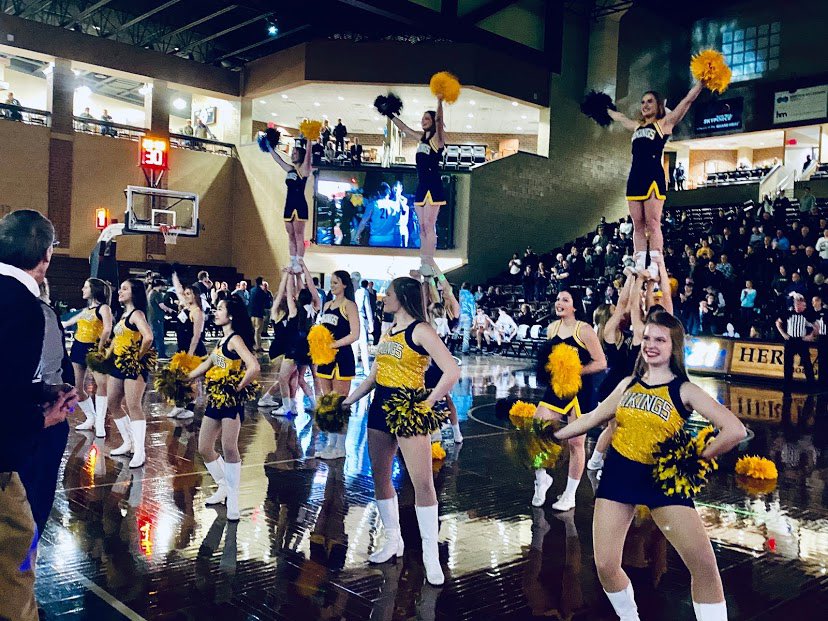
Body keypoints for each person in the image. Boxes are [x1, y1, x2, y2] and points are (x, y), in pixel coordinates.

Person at [554, 312, 746, 621]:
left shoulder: (685, 390)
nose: (651, 345)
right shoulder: (629, 383)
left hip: (663, 482)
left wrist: (698, 457)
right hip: (619, 476)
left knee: (704, 566)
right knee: (605, 565)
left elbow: (734, 430)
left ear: (674, 346)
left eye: (660, 340)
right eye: (647, 338)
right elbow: (593, 418)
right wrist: (551, 434)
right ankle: (630, 617)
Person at [342, 277, 460, 586]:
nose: (383, 298)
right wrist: (349, 399)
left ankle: (430, 554)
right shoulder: (386, 331)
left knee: (422, 483)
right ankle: (393, 541)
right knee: (380, 478)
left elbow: (452, 370)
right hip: (379, 406)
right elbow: (374, 376)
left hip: (409, 407)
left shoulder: (420, 330)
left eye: (389, 294)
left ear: (404, 297)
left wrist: (428, 402)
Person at [0, 210, 77, 621]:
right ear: (46, 256)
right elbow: (4, 401)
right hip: (5, 458)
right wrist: (42, 418)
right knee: (19, 545)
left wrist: (39, 390)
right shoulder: (24, 306)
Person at [608, 83, 703, 278]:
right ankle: (640, 263)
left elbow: (687, 101)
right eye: (643, 102)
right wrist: (602, 108)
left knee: (652, 222)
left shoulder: (664, 123)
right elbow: (619, 117)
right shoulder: (636, 126)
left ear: (658, 104)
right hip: (635, 176)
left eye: (649, 101)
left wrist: (701, 83)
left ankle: (655, 264)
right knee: (637, 223)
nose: (645, 105)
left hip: (653, 175)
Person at [532, 290, 607, 511]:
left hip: (581, 390)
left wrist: (575, 372)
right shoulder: (552, 328)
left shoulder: (584, 330)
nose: (559, 303)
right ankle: (542, 478)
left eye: (565, 300)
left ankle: (570, 494)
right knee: (536, 431)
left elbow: (601, 362)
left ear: (575, 306)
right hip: (557, 389)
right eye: (557, 299)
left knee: (576, 442)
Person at [189, 297, 260, 521]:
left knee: (229, 448)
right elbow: (206, 365)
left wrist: (238, 387)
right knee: (204, 447)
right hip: (215, 401)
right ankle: (223, 487)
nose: (216, 312)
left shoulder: (235, 339)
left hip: (231, 402)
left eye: (220, 309)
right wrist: (181, 378)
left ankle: (234, 499)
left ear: (230, 315)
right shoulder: (222, 341)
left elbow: (254, 366)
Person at [390, 99, 447, 275]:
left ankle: (429, 261)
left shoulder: (437, 139)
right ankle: (423, 260)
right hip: (422, 186)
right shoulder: (421, 139)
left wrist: (439, 101)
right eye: (422, 119)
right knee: (421, 226)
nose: (423, 121)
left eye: (427, 119)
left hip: (433, 186)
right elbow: (405, 128)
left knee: (429, 225)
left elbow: (439, 121)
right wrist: (390, 114)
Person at [105, 279, 154, 468]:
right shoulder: (124, 314)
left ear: (134, 293)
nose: (120, 292)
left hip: (134, 366)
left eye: (125, 289)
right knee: (113, 402)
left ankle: (139, 451)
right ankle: (128, 442)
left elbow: (148, 336)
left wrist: (137, 356)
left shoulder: (137, 314)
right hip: (118, 364)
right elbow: (118, 339)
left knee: (133, 405)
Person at [314, 270, 360, 459]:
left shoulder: (349, 306)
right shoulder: (327, 305)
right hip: (326, 357)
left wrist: (334, 344)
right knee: (327, 402)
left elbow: (355, 334)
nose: (332, 286)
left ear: (345, 285)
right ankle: (330, 445)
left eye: (335, 283)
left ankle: (341, 447)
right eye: (331, 283)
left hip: (342, 357)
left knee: (340, 402)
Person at [61, 278, 113, 436]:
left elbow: (107, 329)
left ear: (94, 290)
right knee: (77, 387)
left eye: (86, 287)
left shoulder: (104, 308)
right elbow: (67, 323)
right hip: (78, 347)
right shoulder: (85, 310)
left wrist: (100, 347)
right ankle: (91, 417)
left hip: (94, 348)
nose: (82, 290)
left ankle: (100, 422)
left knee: (101, 385)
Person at [266, 138, 313, 273]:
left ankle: (299, 262)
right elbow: (278, 160)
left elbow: (308, 155)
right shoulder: (290, 169)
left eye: (295, 153)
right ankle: (292, 261)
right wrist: (270, 147)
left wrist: (309, 140)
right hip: (289, 204)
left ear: (301, 155)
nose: (292, 154)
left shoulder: (304, 169)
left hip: (300, 205)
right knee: (290, 235)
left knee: (299, 235)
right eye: (292, 152)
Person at [776, 294, 818, 386]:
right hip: (790, 340)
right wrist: (783, 334)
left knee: (806, 362)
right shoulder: (788, 313)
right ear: (794, 305)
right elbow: (778, 322)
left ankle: (811, 383)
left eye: (801, 305)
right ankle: (787, 383)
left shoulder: (807, 314)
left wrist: (811, 336)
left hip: (801, 341)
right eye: (797, 305)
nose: (799, 307)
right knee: (788, 363)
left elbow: (816, 326)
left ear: (804, 306)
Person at [353, 280, 375, 373]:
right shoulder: (363, 291)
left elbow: (368, 308)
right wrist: (370, 323)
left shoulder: (350, 291)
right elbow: (368, 308)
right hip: (358, 318)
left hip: (354, 318)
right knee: (361, 344)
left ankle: (357, 367)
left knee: (356, 344)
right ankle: (365, 369)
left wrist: (370, 323)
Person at [248, 276, 268, 353]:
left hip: (251, 313)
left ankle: (252, 345)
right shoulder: (261, 291)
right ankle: (258, 346)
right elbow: (266, 302)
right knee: (258, 331)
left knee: (253, 330)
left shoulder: (252, 290)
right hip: (259, 313)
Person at [458, 282, 476, 354]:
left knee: (456, 331)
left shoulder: (459, 293)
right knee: (466, 333)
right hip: (467, 316)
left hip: (460, 315)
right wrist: (474, 317)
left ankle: (451, 347)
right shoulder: (470, 295)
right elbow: (472, 307)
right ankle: (464, 350)